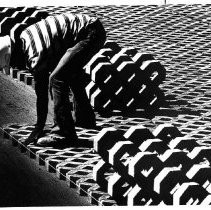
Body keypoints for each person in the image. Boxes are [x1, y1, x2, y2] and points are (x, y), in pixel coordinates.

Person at [0, 12, 106, 147]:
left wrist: (38, 127)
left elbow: (42, 94)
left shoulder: (35, 53)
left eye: (12, 63)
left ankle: (63, 133)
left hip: (89, 33)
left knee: (56, 79)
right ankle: (85, 119)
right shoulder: (25, 36)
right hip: (89, 27)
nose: (15, 66)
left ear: (12, 55)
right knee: (70, 73)